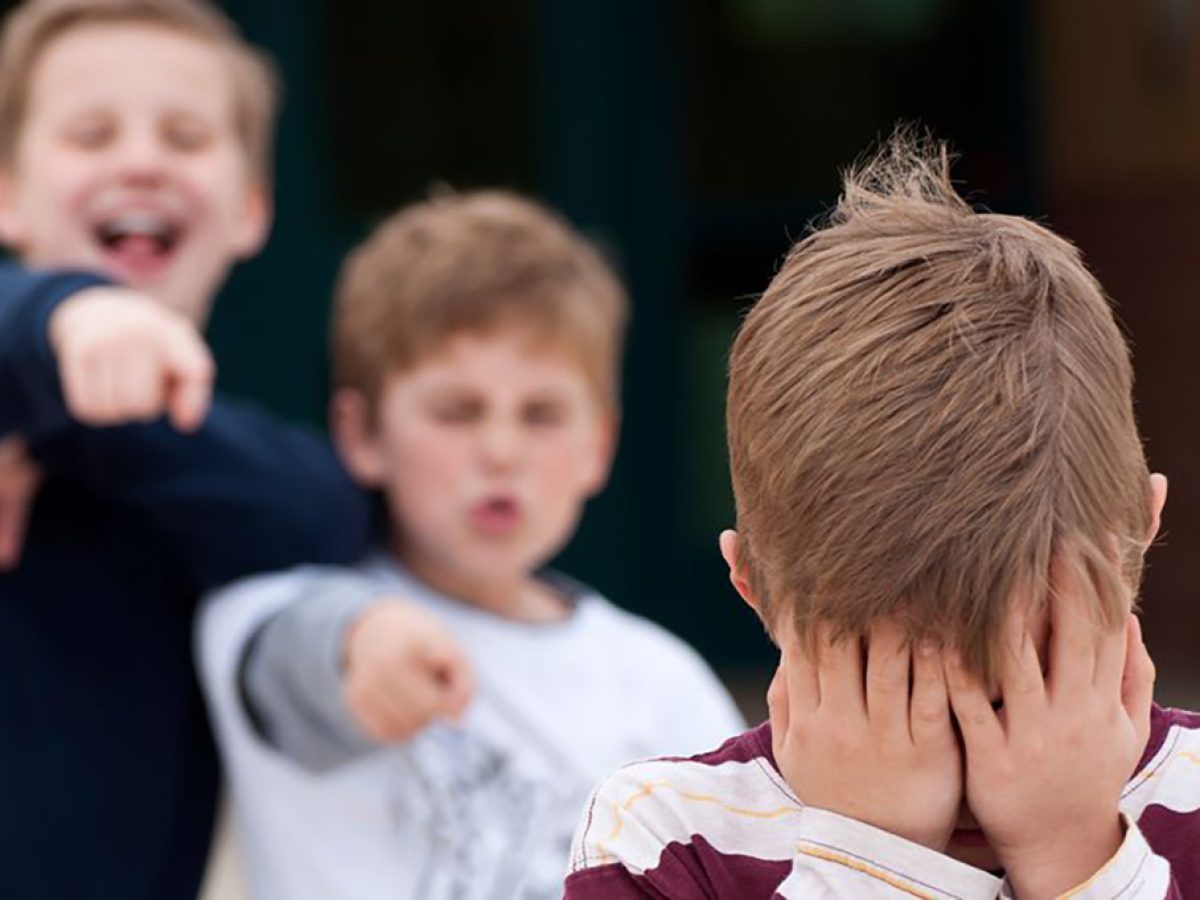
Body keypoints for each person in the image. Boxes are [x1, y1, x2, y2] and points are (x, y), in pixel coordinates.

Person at [564, 135, 1199, 898]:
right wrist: (869, 858)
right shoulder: (661, 841)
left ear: (1141, 535)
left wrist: (1077, 853)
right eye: (898, 692)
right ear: (752, 585)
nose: (978, 771)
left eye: (1019, 690)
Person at [196, 190, 746, 900]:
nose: (500, 451)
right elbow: (287, 660)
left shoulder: (663, 685)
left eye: (541, 415)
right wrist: (357, 639)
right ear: (362, 434)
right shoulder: (271, 604)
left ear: (599, 445)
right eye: (456, 412)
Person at [0, 2, 382, 896]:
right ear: (6, 193)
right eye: (92, 134)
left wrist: (67, 429)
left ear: (251, 210)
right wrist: (64, 319)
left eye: (186, 136)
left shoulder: (224, 473)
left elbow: (320, 508)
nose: (141, 161)